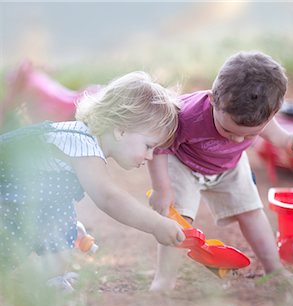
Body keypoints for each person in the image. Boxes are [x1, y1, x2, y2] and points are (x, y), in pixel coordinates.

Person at [0, 71, 185, 291]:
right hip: (7, 190)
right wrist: (156, 224)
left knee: (61, 236)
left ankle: (47, 283)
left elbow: (50, 194)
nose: (150, 156)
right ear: (121, 130)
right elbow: (109, 198)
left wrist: (67, 222)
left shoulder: (83, 142)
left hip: (16, 192)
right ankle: (39, 285)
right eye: (148, 146)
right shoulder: (82, 144)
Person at [147, 51, 293, 291]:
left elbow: (275, 135)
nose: (238, 139)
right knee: (179, 218)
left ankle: (275, 270)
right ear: (213, 99)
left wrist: (288, 140)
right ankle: (164, 280)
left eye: (250, 134)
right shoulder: (185, 115)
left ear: (272, 113)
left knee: (251, 211)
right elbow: (158, 146)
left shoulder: (261, 115)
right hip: (183, 162)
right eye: (228, 130)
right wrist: (161, 188)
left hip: (230, 165)